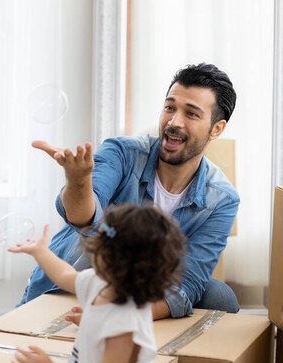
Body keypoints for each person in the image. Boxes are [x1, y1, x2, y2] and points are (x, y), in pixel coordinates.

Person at [21, 62, 239, 319]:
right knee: (101, 237)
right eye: (170, 107)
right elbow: (83, 221)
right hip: (84, 276)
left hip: (139, 291)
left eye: (191, 114)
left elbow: (189, 281)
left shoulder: (222, 199)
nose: (174, 122)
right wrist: (79, 180)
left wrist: (120, 317)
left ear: (216, 129)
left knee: (218, 295)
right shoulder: (122, 152)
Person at [10, 204, 185, 363]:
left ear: (116, 261)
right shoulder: (99, 283)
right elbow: (64, 275)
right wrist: (40, 252)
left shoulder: (125, 316)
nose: (92, 251)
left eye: (99, 248)